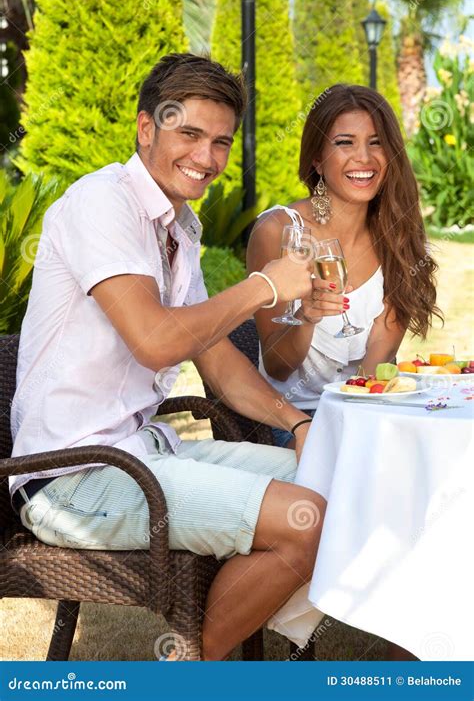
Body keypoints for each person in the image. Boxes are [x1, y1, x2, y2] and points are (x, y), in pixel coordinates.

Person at [9, 53, 326, 661]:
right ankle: (188, 672)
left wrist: (297, 423)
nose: (206, 159)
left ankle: (200, 662)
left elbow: (218, 363)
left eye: (221, 142)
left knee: (335, 487)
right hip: (71, 477)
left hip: (145, 452)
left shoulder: (180, 226)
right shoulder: (101, 203)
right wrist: (264, 286)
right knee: (305, 516)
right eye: (190, 135)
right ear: (146, 128)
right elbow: (156, 339)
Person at [247, 83, 442, 447]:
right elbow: (277, 366)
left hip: (368, 408)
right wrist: (308, 317)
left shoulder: (397, 237)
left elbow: (375, 366)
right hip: (293, 421)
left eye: (376, 142)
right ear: (318, 159)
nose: (364, 157)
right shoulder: (279, 232)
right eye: (345, 142)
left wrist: (365, 422)